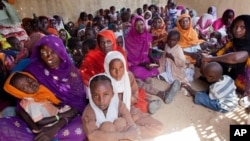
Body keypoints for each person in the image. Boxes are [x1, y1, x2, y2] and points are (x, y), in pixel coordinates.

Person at [0, 35, 87, 141]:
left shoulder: (71, 74)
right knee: (4, 124)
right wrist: (34, 128)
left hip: (64, 119)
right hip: (34, 118)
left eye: (53, 52)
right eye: (43, 53)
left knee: (82, 130)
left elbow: (77, 105)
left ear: (61, 51)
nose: (49, 57)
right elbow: (20, 102)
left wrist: (54, 128)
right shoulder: (34, 70)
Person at [82, 73, 141, 141]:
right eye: (96, 95)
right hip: (101, 138)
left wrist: (134, 134)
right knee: (107, 126)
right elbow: (92, 136)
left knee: (120, 122)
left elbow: (131, 125)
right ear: (91, 95)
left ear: (112, 93)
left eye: (105, 94)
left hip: (118, 135)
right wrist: (125, 135)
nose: (101, 100)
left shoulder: (118, 104)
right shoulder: (89, 111)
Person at [202, 15, 250, 97]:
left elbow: (235, 58)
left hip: (243, 83)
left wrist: (211, 59)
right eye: (235, 26)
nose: (237, 30)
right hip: (230, 75)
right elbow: (218, 53)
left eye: (242, 27)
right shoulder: (233, 42)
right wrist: (207, 59)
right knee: (206, 63)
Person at [4, 71, 72, 127]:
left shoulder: (40, 92)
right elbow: (40, 122)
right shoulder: (31, 104)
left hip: (58, 115)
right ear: (19, 93)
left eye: (28, 79)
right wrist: (61, 115)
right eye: (24, 87)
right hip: (52, 125)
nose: (30, 84)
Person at [125, 15, 159, 80]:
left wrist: (153, 60)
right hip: (135, 63)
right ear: (133, 27)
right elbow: (130, 58)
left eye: (141, 24)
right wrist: (144, 64)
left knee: (158, 62)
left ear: (144, 24)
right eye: (136, 25)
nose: (140, 27)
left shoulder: (148, 36)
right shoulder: (129, 39)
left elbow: (149, 52)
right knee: (135, 72)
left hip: (146, 60)